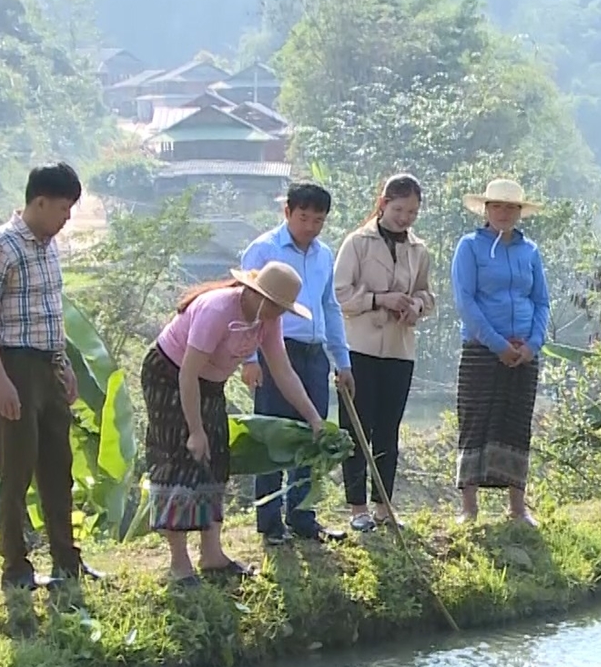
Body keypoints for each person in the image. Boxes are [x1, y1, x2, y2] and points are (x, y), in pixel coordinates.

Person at [143, 261, 326, 584]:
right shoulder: (218, 310)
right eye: (275, 305)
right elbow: (187, 372)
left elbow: (282, 371)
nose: (277, 313)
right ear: (257, 294)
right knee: (180, 460)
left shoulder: (268, 321)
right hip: (170, 377)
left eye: (283, 309)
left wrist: (314, 418)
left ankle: (212, 555)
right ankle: (179, 563)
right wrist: (195, 430)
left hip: (211, 384)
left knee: (215, 460)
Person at [0, 161, 100, 591]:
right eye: (63, 209)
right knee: (16, 468)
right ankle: (15, 566)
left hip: (47, 364)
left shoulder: (49, 248)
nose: (67, 219)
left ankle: (67, 558)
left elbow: (51, 314)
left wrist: (64, 367)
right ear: (39, 202)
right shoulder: (1, 247)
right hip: (14, 364)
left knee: (57, 467)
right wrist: (0, 379)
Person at [239, 182, 356, 544]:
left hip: (313, 351)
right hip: (275, 347)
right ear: (287, 212)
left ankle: (303, 514)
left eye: (318, 220)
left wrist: (342, 359)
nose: (310, 226)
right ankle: (270, 521)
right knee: (273, 434)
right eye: (303, 217)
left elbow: (330, 307)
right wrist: (248, 358)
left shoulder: (323, 255)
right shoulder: (264, 250)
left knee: (313, 431)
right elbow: (244, 304)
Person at [332, 172, 435, 532]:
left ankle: (383, 505)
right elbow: (339, 295)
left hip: (399, 348)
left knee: (389, 429)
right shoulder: (357, 243)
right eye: (399, 209)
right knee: (357, 427)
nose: (405, 218)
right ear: (383, 204)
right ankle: (357, 507)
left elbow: (427, 294)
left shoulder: (419, 250)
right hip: (359, 348)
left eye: (412, 212)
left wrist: (415, 307)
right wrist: (379, 299)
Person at [450, 178, 551, 528]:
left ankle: (518, 507)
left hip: (524, 350)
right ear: (486, 210)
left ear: (520, 212)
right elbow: (466, 301)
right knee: (475, 420)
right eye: (498, 207)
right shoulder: (469, 247)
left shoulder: (530, 252)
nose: (504, 214)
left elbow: (540, 301)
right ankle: (469, 507)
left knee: (516, 422)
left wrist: (532, 345)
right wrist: (497, 344)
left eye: (511, 208)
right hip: (482, 348)